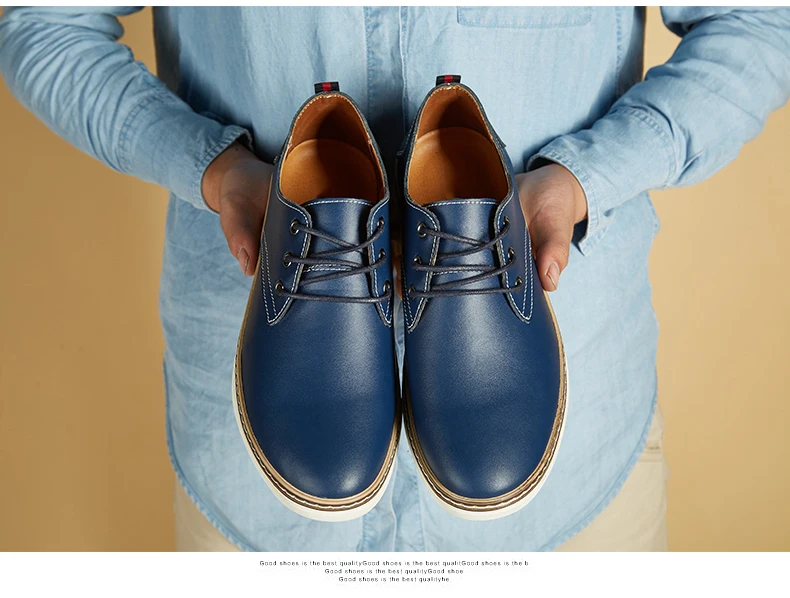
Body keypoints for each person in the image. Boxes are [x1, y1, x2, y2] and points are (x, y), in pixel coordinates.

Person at [2, 6, 788, 552]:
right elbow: (42, 21)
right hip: (244, 470)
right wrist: (214, 168)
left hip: (582, 462)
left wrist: (584, 178)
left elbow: (759, 21)